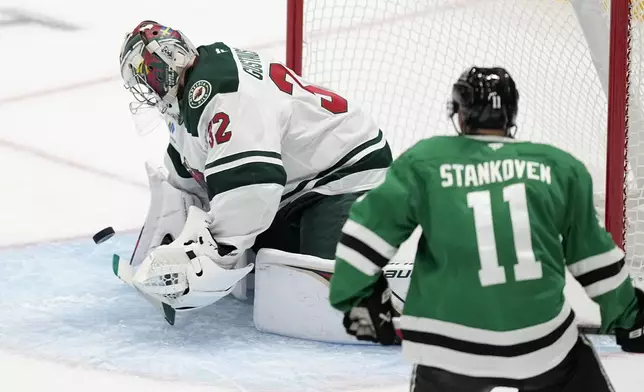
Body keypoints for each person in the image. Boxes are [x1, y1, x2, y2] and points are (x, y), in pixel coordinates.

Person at [329, 66, 644, 391]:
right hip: (540, 344)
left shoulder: (425, 162)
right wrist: (630, 317)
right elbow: (594, 260)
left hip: (446, 348)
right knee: (568, 361)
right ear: (511, 114)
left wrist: (357, 298)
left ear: (459, 114)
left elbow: (366, 235)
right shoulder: (560, 167)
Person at [117, 21, 392, 314]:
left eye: (145, 77)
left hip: (347, 175)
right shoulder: (192, 88)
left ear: (165, 67)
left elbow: (253, 186)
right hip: (297, 186)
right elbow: (187, 176)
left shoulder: (222, 93)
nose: (146, 89)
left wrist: (216, 253)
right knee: (268, 271)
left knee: (322, 296)